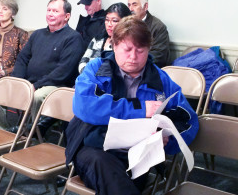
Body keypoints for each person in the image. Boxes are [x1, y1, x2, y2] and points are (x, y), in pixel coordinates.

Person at [65, 16, 199, 195]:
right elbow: (85, 106)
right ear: (114, 46)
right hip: (93, 148)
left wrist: (167, 140)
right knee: (108, 172)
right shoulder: (96, 69)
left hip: (138, 155)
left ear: (148, 49)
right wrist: (140, 109)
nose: (133, 57)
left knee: (121, 186)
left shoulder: (160, 79)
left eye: (140, 50)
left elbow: (188, 120)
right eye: (127, 50)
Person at [0, 0, 86, 131]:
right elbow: (22, 59)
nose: (50, 14)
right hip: (29, 82)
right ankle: (2, 131)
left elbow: (63, 72)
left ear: (67, 16)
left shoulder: (73, 38)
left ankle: (33, 135)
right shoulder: (37, 34)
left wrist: (36, 86)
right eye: (48, 10)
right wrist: (18, 81)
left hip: (55, 86)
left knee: (37, 96)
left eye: (55, 11)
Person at [78, 2, 131, 73]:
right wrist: (88, 75)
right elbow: (83, 61)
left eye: (114, 21)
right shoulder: (97, 39)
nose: (109, 24)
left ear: (125, 22)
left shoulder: (127, 44)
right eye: (107, 20)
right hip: (87, 79)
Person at [128, 0, 170, 68]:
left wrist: (135, 63)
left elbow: (159, 56)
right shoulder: (125, 24)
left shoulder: (158, 27)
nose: (131, 9)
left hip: (148, 70)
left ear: (145, 6)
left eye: (134, 5)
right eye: (129, 5)